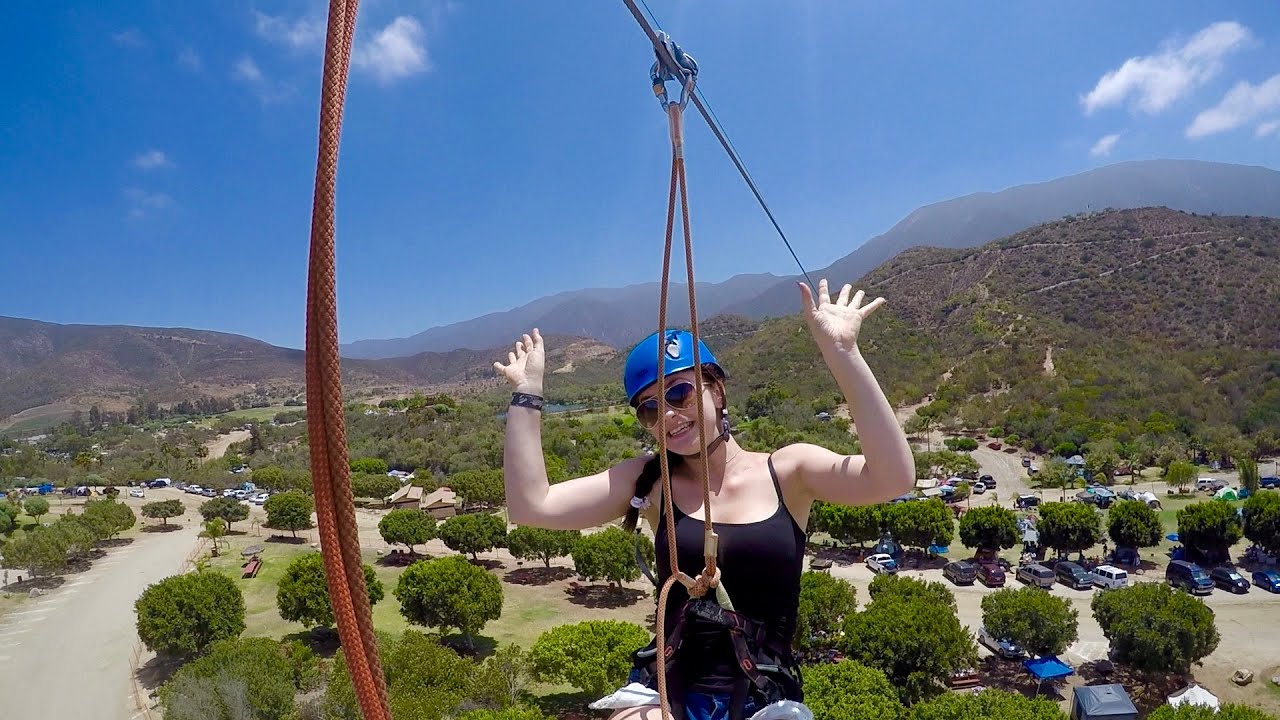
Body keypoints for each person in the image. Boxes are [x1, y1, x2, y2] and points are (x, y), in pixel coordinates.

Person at [494, 279, 914, 720]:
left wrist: (844, 354)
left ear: (716, 389)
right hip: (669, 688)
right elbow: (531, 505)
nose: (670, 414)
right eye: (650, 408)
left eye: (680, 392)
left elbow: (893, 478)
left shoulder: (789, 471)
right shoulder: (650, 482)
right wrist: (527, 394)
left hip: (762, 693)